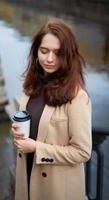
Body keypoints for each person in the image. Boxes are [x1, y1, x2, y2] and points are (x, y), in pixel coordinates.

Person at [11, 19, 92, 200]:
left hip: (56, 190)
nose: (49, 59)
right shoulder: (32, 86)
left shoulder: (77, 96)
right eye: (44, 51)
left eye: (57, 53)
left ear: (68, 55)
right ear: (36, 51)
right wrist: (17, 132)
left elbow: (82, 152)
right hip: (27, 181)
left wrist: (36, 148)